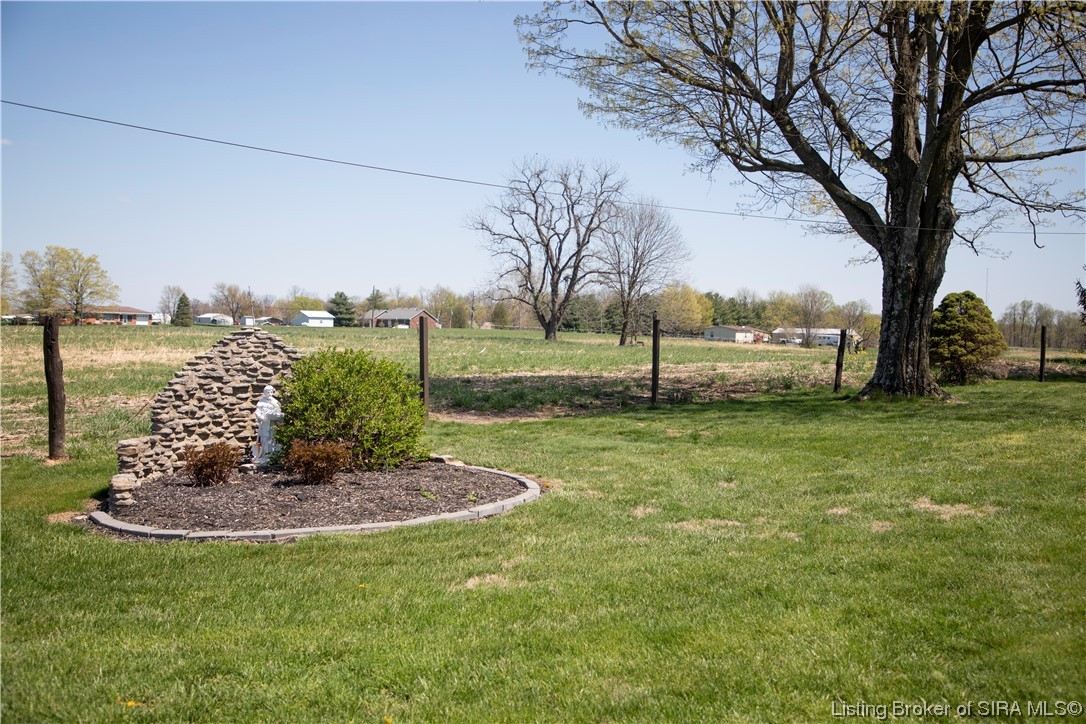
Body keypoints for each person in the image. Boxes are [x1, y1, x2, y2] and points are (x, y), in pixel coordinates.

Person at [252, 385, 283, 464]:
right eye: (267, 392)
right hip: (264, 424)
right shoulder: (261, 401)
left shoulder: (275, 402)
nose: (269, 393)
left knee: (272, 438)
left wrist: (278, 415)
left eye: (271, 392)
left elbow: (278, 412)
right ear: (264, 392)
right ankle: (264, 456)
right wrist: (261, 417)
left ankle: (272, 455)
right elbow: (257, 412)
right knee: (264, 439)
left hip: (272, 424)